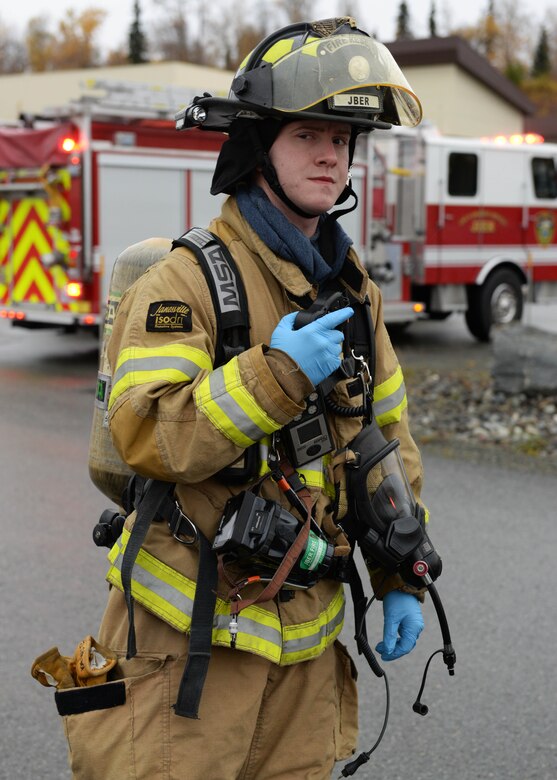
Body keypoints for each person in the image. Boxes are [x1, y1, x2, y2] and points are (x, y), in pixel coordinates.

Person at [64, 17, 428, 780]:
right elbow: (145, 435)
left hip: (305, 649)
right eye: (307, 135)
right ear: (258, 147)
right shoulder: (186, 281)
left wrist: (400, 574)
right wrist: (275, 373)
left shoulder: (350, 290)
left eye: (343, 140)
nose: (331, 154)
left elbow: (383, 442)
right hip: (188, 644)